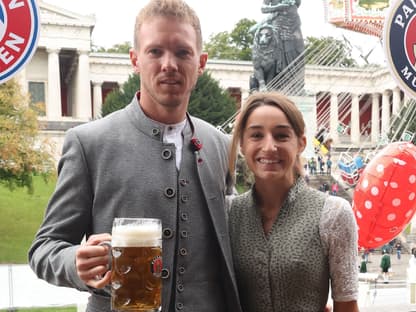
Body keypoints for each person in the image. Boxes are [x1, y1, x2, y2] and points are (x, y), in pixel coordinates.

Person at [28, 1, 242, 311]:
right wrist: (74, 263)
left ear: (201, 62)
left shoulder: (221, 145)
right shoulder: (89, 144)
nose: (169, 64)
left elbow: (236, 243)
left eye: (183, 52)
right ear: (135, 60)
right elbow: (44, 249)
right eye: (155, 51)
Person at [228, 91, 359, 312]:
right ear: (242, 144)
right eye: (256, 135)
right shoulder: (227, 212)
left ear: (301, 143)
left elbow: (346, 305)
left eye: (281, 136)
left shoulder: (333, 213)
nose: (269, 146)